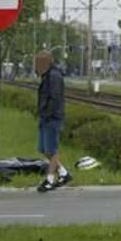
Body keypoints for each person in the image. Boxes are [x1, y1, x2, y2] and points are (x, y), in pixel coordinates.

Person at [34, 49, 71, 193]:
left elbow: (54, 98)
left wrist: (47, 113)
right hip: (46, 116)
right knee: (44, 148)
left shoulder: (54, 76)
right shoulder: (47, 75)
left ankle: (49, 180)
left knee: (51, 149)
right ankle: (63, 173)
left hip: (52, 117)